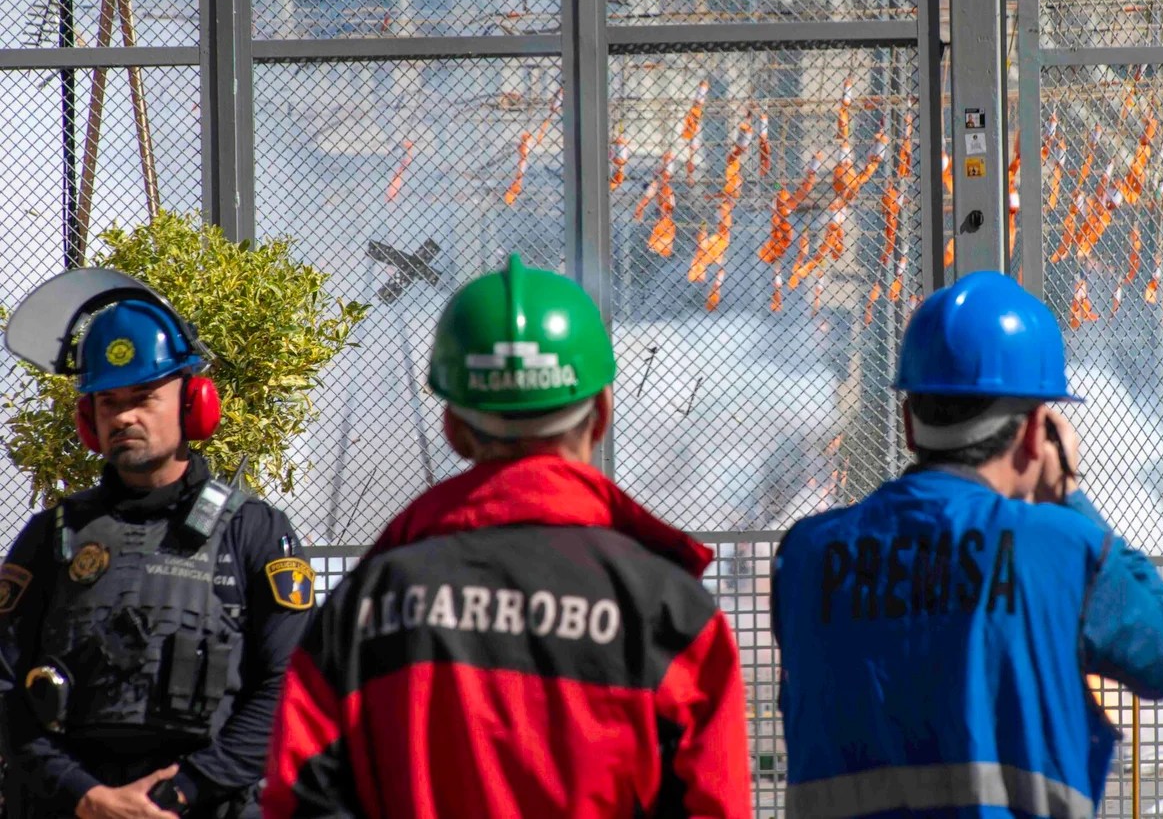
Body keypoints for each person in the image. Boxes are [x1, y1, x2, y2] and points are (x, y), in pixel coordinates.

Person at [262, 256, 751, 819]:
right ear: (602, 414)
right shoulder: (671, 611)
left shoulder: (369, 602)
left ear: (453, 426)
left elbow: (299, 792)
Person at [772, 270, 1163, 818]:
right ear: (1034, 433)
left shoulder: (806, 554)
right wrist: (1067, 493)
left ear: (908, 421)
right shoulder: (1063, 553)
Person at [0, 270, 313, 819]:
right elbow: (5, 690)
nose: (124, 416)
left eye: (145, 396)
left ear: (193, 401)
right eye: (108, 402)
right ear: (88, 419)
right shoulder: (50, 537)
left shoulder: (255, 532)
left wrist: (184, 790)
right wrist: (88, 797)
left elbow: (291, 687)